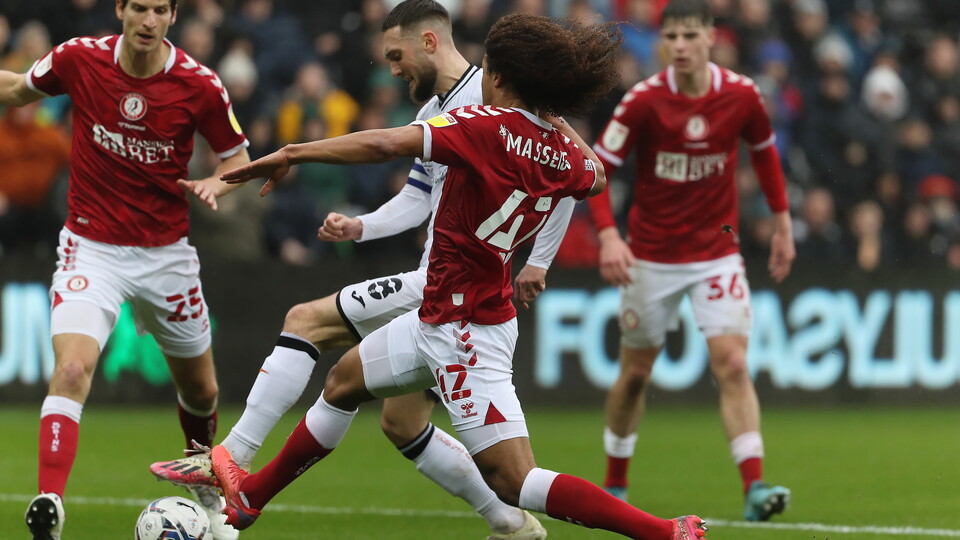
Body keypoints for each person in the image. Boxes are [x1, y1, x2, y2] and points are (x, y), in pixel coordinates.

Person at [211, 12, 708, 540]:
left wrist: (293, 152)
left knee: (515, 480)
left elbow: (384, 145)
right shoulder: (565, 156)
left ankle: (661, 533)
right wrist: (557, 121)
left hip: (468, 333)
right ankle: (250, 497)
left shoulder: (483, 127)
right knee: (342, 383)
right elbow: (598, 177)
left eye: (489, 68)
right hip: (437, 316)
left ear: (499, 77)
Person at [150, 2, 574, 537]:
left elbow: (564, 185)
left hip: (446, 286)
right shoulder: (433, 114)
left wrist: (537, 260)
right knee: (402, 422)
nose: (391, 69)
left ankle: (230, 458)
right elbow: (419, 200)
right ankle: (510, 522)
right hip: (444, 284)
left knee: (305, 319)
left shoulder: (485, 102)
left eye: (396, 56)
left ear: (428, 42)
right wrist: (362, 227)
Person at [0, 1, 251, 538]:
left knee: (203, 391)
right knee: (70, 370)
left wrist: (219, 183)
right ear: (120, 9)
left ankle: (206, 491)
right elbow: (18, 88)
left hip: (167, 256)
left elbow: (236, 157)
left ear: (173, 16)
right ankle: (49, 500)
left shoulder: (199, 84)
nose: (148, 19)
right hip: (91, 247)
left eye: (160, 9)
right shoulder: (79, 60)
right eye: (139, 6)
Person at [586, 0, 795, 522]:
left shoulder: (743, 95)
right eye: (671, 36)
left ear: (711, 38)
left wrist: (783, 223)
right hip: (650, 256)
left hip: (716, 253)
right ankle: (615, 483)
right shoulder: (643, 102)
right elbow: (593, 170)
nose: (679, 45)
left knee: (733, 362)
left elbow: (765, 154)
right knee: (635, 375)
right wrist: (610, 237)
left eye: (689, 36)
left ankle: (754, 486)